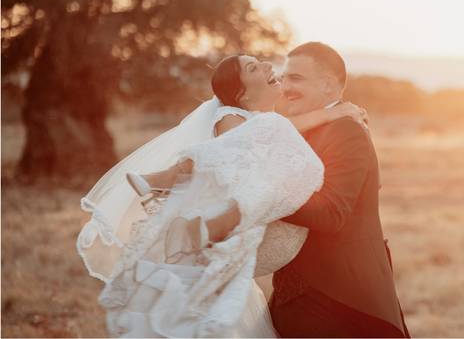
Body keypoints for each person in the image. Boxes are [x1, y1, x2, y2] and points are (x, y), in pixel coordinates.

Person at [77, 54, 367, 337]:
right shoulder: (232, 118)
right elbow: (242, 149)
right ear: (241, 94)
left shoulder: (265, 120)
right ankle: (171, 181)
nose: (267, 65)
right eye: (253, 67)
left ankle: (177, 187)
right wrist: (333, 113)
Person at [269, 42, 411, 337]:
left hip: (341, 301)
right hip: (302, 297)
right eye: (283, 78)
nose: (285, 88)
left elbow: (332, 213)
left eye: (296, 78)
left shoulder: (346, 130)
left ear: (329, 86)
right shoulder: (307, 128)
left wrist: (264, 197)